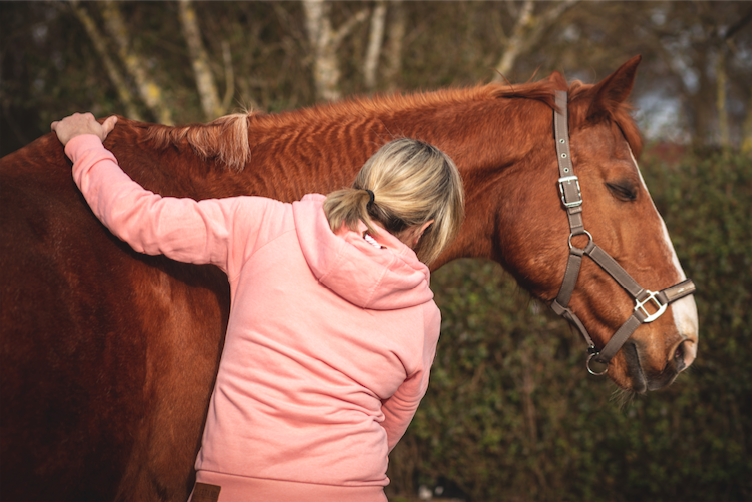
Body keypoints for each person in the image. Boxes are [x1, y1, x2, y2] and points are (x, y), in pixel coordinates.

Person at [51, 112, 464, 502]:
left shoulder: (265, 226)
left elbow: (140, 219)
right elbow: (389, 428)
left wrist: (85, 145)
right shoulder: (422, 316)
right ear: (426, 226)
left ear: (366, 182)